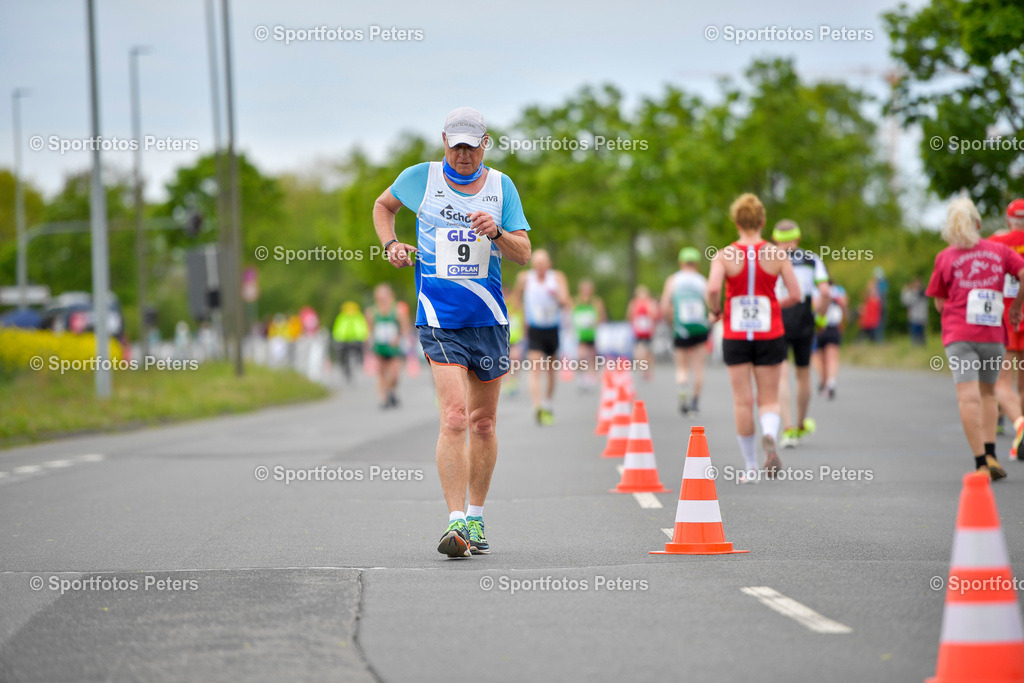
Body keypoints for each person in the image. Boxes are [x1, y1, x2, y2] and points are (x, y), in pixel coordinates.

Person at [372, 106, 532, 557]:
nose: (463, 154)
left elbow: (523, 252)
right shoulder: (419, 177)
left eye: (471, 144)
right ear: (444, 141)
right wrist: (391, 244)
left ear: (486, 143)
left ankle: (477, 519)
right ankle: (455, 521)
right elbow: (383, 206)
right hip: (439, 317)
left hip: (489, 319)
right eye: (455, 144)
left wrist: (497, 232)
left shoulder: (502, 187)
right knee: (455, 416)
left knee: (483, 422)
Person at [925, 197, 1024, 481]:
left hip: (960, 336)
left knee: (968, 398)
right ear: (978, 224)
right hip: (993, 335)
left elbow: (939, 301)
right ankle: (993, 454)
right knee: (989, 393)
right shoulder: (999, 251)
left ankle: (981, 461)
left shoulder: (945, 257)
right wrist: (1016, 306)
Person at [706, 193, 801, 481]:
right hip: (769, 332)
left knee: (742, 400)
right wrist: (772, 304)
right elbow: (796, 294)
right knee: (769, 398)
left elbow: (712, 289)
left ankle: (749, 467)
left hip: (735, 334)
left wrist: (716, 310)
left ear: (736, 222)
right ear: (762, 221)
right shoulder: (777, 254)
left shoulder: (723, 255)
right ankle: (770, 434)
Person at [772, 220, 830, 449]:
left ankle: (787, 429)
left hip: (778, 316)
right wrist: (822, 319)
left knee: (781, 373)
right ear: (797, 238)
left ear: (776, 239)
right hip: (804, 317)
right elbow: (825, 291)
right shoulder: (811, 259)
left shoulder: (768, 258)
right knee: (803, 374)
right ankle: (799, 424)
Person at [512, 249, 570, 425]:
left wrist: (557, 296)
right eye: (536, 264)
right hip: (535, 330)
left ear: (549, 264)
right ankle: (537, 406)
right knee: (535, 368)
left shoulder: (557, 277)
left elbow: (566, 301)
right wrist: (524, 316)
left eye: (543, 264)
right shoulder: (525, 277)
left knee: (551, 370)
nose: (540, 268)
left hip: (552, 328)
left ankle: (548, 403)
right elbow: (515, 300)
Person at [985, 198, 1024, 460]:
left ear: (1009, 219)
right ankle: (1019, 441)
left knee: (1001, 384)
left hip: (1007, 316)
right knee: (1022, 384)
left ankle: (1020, 428)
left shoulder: (997, 242)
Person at [661, 247, 710, 415]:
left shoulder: (673, 280)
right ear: (696, 263)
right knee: (699, 367)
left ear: (681, 262)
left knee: (681, 366)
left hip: (680, 327)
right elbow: (710, 303)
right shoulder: (702, 280)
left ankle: (682, 388)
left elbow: (665, 305)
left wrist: (670, 322)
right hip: (699, 327)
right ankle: (695, 403)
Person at [366, 284, 411, 409]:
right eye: (379, 297)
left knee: (394, 373)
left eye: (384, 296)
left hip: (394, 345)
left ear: (390, 296)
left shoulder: (398, 309)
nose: (382, 299)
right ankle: (383, 398)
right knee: (381, 372)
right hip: (379, 345)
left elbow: (405, 327)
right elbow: (369, 330)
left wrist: (400, 338)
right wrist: (370, 343)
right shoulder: (372, 311)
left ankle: (391, 390)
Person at [812, 279, 847, 400]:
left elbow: (814, 306)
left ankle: (823, 381)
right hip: (833, 326)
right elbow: (843, 304)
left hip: (819, 326)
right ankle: (830, 382)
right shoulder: (838, 290)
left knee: (819, 358)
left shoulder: (815, 290)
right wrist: (844, 319)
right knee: (832, 357)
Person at [572, 279, 606, 391]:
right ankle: (582, 376)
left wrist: (594, 322)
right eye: (584, 289)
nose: (586, 291)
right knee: (581, 355)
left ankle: (592, 376)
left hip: (592, 332)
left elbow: (602, 316)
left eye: (588, 289)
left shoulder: (596, 301)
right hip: (581, 332)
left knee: (593, 355)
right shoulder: (576, 301)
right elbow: (571, 314)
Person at [627, 285, 659, 381]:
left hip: (648, 331)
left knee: (649, 352)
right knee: (640, 350)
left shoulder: (650, 302)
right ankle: (642, 369)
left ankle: (649, 370)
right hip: (639, 331)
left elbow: (654, 315)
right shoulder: (634, 303)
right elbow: (630, 315)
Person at [332, 301, 368, 382]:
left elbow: (363, 327)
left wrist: (363, 337)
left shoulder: (358, 316)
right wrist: (337, 338)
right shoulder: (342, 317)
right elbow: (338, 328)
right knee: (341, 354)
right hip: (344, 339)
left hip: (356, 339)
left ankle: (360, 362)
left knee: (360, 350)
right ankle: (344, 366)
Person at [901, 278, 929, 346]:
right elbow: (905, 302)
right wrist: (907, 291)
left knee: (922, 337)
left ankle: (922, 349)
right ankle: (915, 349)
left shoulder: (923, 293)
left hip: (922, 318)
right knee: (914, 337)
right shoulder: (912, 293)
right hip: (914, 318)